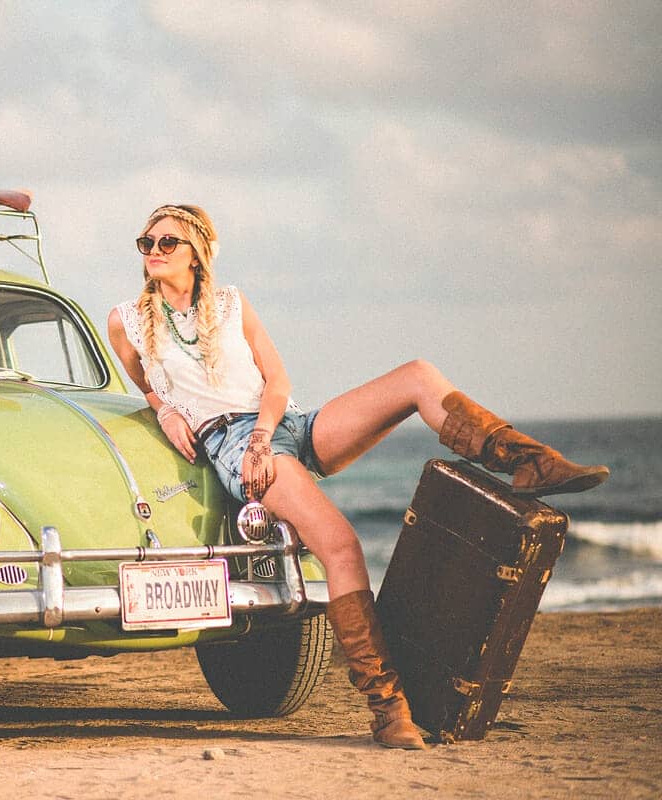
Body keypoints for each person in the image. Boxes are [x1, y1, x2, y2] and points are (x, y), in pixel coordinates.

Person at [107, 204, 609, 750]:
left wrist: (265, 433)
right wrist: (165, 410)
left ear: (197, 255)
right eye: (146, 242)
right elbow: (149, 384)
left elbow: (276, 381)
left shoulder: (231, 304)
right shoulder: (126, 320)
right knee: (342, 546)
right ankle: (388, 709)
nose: (153, 251)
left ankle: (528, 461)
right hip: (234, 446)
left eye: (166, 243)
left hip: (282, 426)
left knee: (416, 376)